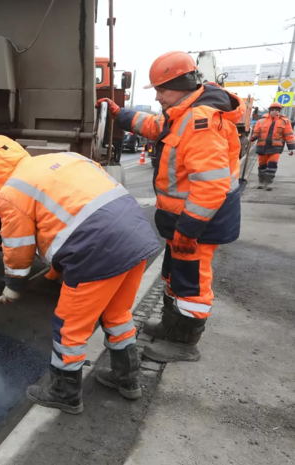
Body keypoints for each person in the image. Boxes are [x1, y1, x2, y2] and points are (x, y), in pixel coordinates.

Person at [0, 136, 161, 415]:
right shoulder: (65, 158)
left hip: (97, 250)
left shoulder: (12, 191)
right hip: (136, 237)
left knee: (69, 327)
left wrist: (14, 285)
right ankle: (128, 379)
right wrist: (56, 269)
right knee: (117, 314)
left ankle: (65, 393)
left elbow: (18, 244)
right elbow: (73, 212)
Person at [98, 51, 244, 363]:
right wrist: (119, 114)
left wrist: (189, 229)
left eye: (162, 90)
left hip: (200, 222)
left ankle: (184, 342)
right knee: (175, 274)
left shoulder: (200, 121)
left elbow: (211, 184)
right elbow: (155, 126)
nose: (160, 97)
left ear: (182, 85)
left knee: (192, 281)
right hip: (186, 218)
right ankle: (170, 325)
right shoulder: (183, 113)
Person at [250, 102, 295, 190]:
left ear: (279, 111)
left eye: (276, 110)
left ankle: (268, 183)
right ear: (270, 111)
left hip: (276, 147)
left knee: (272, 164)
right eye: (273, 110)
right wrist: (252, 138)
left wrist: (291, 148)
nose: (274, 112)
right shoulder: (261, 121)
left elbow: (289, 134)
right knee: (262, 165)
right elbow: (256, 133)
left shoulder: (284, 121)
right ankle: (261, 181)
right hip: (262, 147)